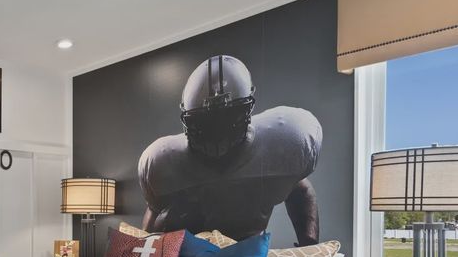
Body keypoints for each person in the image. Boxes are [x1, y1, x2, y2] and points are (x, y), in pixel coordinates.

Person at [138, 55, 323, 245]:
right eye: (206, 123)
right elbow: (154, 212)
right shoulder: (161, 163)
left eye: (226, 120)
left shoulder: (285, 142)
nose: (216, 132)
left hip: (245, 253)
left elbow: (299, 191)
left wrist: (308, 248)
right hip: (185, 254)